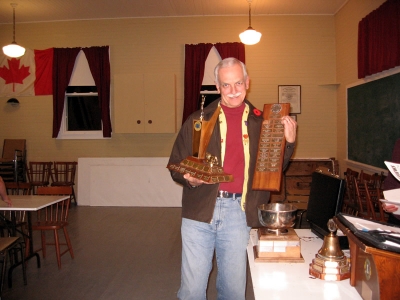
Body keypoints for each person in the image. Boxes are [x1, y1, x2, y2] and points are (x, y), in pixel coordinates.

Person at [168, 57, 297, 300]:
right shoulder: (198, 120)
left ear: (247, 82)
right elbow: (176, 164)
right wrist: (189, 179)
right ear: (217, 87)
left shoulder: (263, 122)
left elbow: (274, 169)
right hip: (199, 212)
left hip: (239, 212)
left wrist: (289, 143)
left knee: (233, 290)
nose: (233, 91)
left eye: (238, 83)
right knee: (192, 290)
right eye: (226, 85)